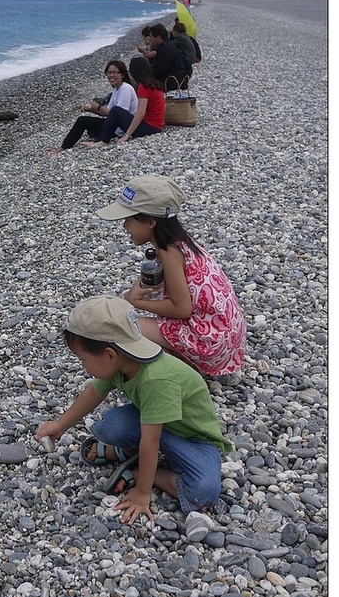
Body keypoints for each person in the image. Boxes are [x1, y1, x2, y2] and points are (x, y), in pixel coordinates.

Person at [34, 295, 234, 524]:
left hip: (193, 438)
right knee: (111, 426)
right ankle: (126, 452)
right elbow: (94, 392)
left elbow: (151, 441)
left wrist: (142, 492)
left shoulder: (156, 379)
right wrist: (60, 425)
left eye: (83, 360)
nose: (83, 366)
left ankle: (140, 471)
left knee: (204, 492)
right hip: (157, 425)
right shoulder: (122, 362)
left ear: (110, 354)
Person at [96, 174, 246, 375]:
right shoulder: (181, 242)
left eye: (127, 219)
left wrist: (137, 303)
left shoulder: (170, 253)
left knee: (119, 329)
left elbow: (182, 309)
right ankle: (177, 357)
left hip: (210, 342)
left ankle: (183, 365)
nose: (124, 227)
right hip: (226, 336)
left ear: (149, 222)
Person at [48, 60, 137, 154]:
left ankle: (63, 147)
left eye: (115, 72)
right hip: (115, 126)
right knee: (89, 127)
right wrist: (91, 110)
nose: (111, 75)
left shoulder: (126, 88)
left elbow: (119, 114)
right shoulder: (117, 89)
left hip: (122, 128)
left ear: (122, 75)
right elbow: (108, 113)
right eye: (109, 72)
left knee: (82, 121)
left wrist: (98, 107)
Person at [82, 57, 165, 147]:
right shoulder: (154, 85)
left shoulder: (144, 87)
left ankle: (102, 141)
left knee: (116, 110)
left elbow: (140, 112)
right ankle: (100, 140)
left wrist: (127, 135)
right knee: (113, 112)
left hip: (150, 127)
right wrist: (92, 109)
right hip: (157, 126)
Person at [148, 24, 189, 90]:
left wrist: (145, 72)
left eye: (151, 37)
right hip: (173, 78)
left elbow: (159, 70)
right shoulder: (168, 45)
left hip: (170, 82)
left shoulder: (165, 49)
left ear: (158, 37)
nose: (150, 39)